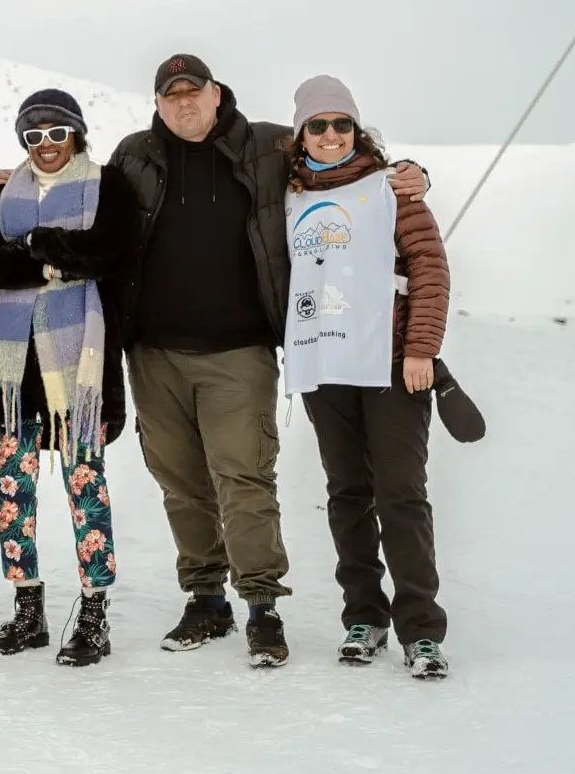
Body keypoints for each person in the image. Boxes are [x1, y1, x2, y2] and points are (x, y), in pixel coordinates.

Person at [105, 53, 428, 668]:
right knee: (180, 482)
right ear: (157, 103)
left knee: (244, 477)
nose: (184, 104)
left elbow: (342, 163)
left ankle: (261, 605)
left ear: (216, 92)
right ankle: (206, 599)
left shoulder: (266, 146)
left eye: (193, 92)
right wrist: (17, 180)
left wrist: (408, 172)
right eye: (170, 96)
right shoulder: (134, 155)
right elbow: (93, 201)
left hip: (240, 350)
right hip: (153, 352)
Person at [0, 90, 139, 667]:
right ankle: (28, 608)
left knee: (86, 490)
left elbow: (112, 251)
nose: (46, 146)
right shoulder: (4, 193)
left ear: (77, 135)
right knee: (14, 492)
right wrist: (53, 260)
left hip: (78, 372)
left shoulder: (105, 185)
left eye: (56, 134)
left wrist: (32, 245)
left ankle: (93, 612)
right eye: (33, 137)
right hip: (16, 376)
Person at [284, 75, 454, 679]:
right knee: (348, 494)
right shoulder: (288, 195)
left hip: (389, 365)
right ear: (300, 132)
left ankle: (420, 630)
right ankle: (364, 616)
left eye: (342, 124)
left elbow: (430, 271)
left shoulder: (394, 192)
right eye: (318, 125)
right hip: (323, 364)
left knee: (401, 494)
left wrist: (421, 349)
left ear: (358, 130)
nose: (331, 135)